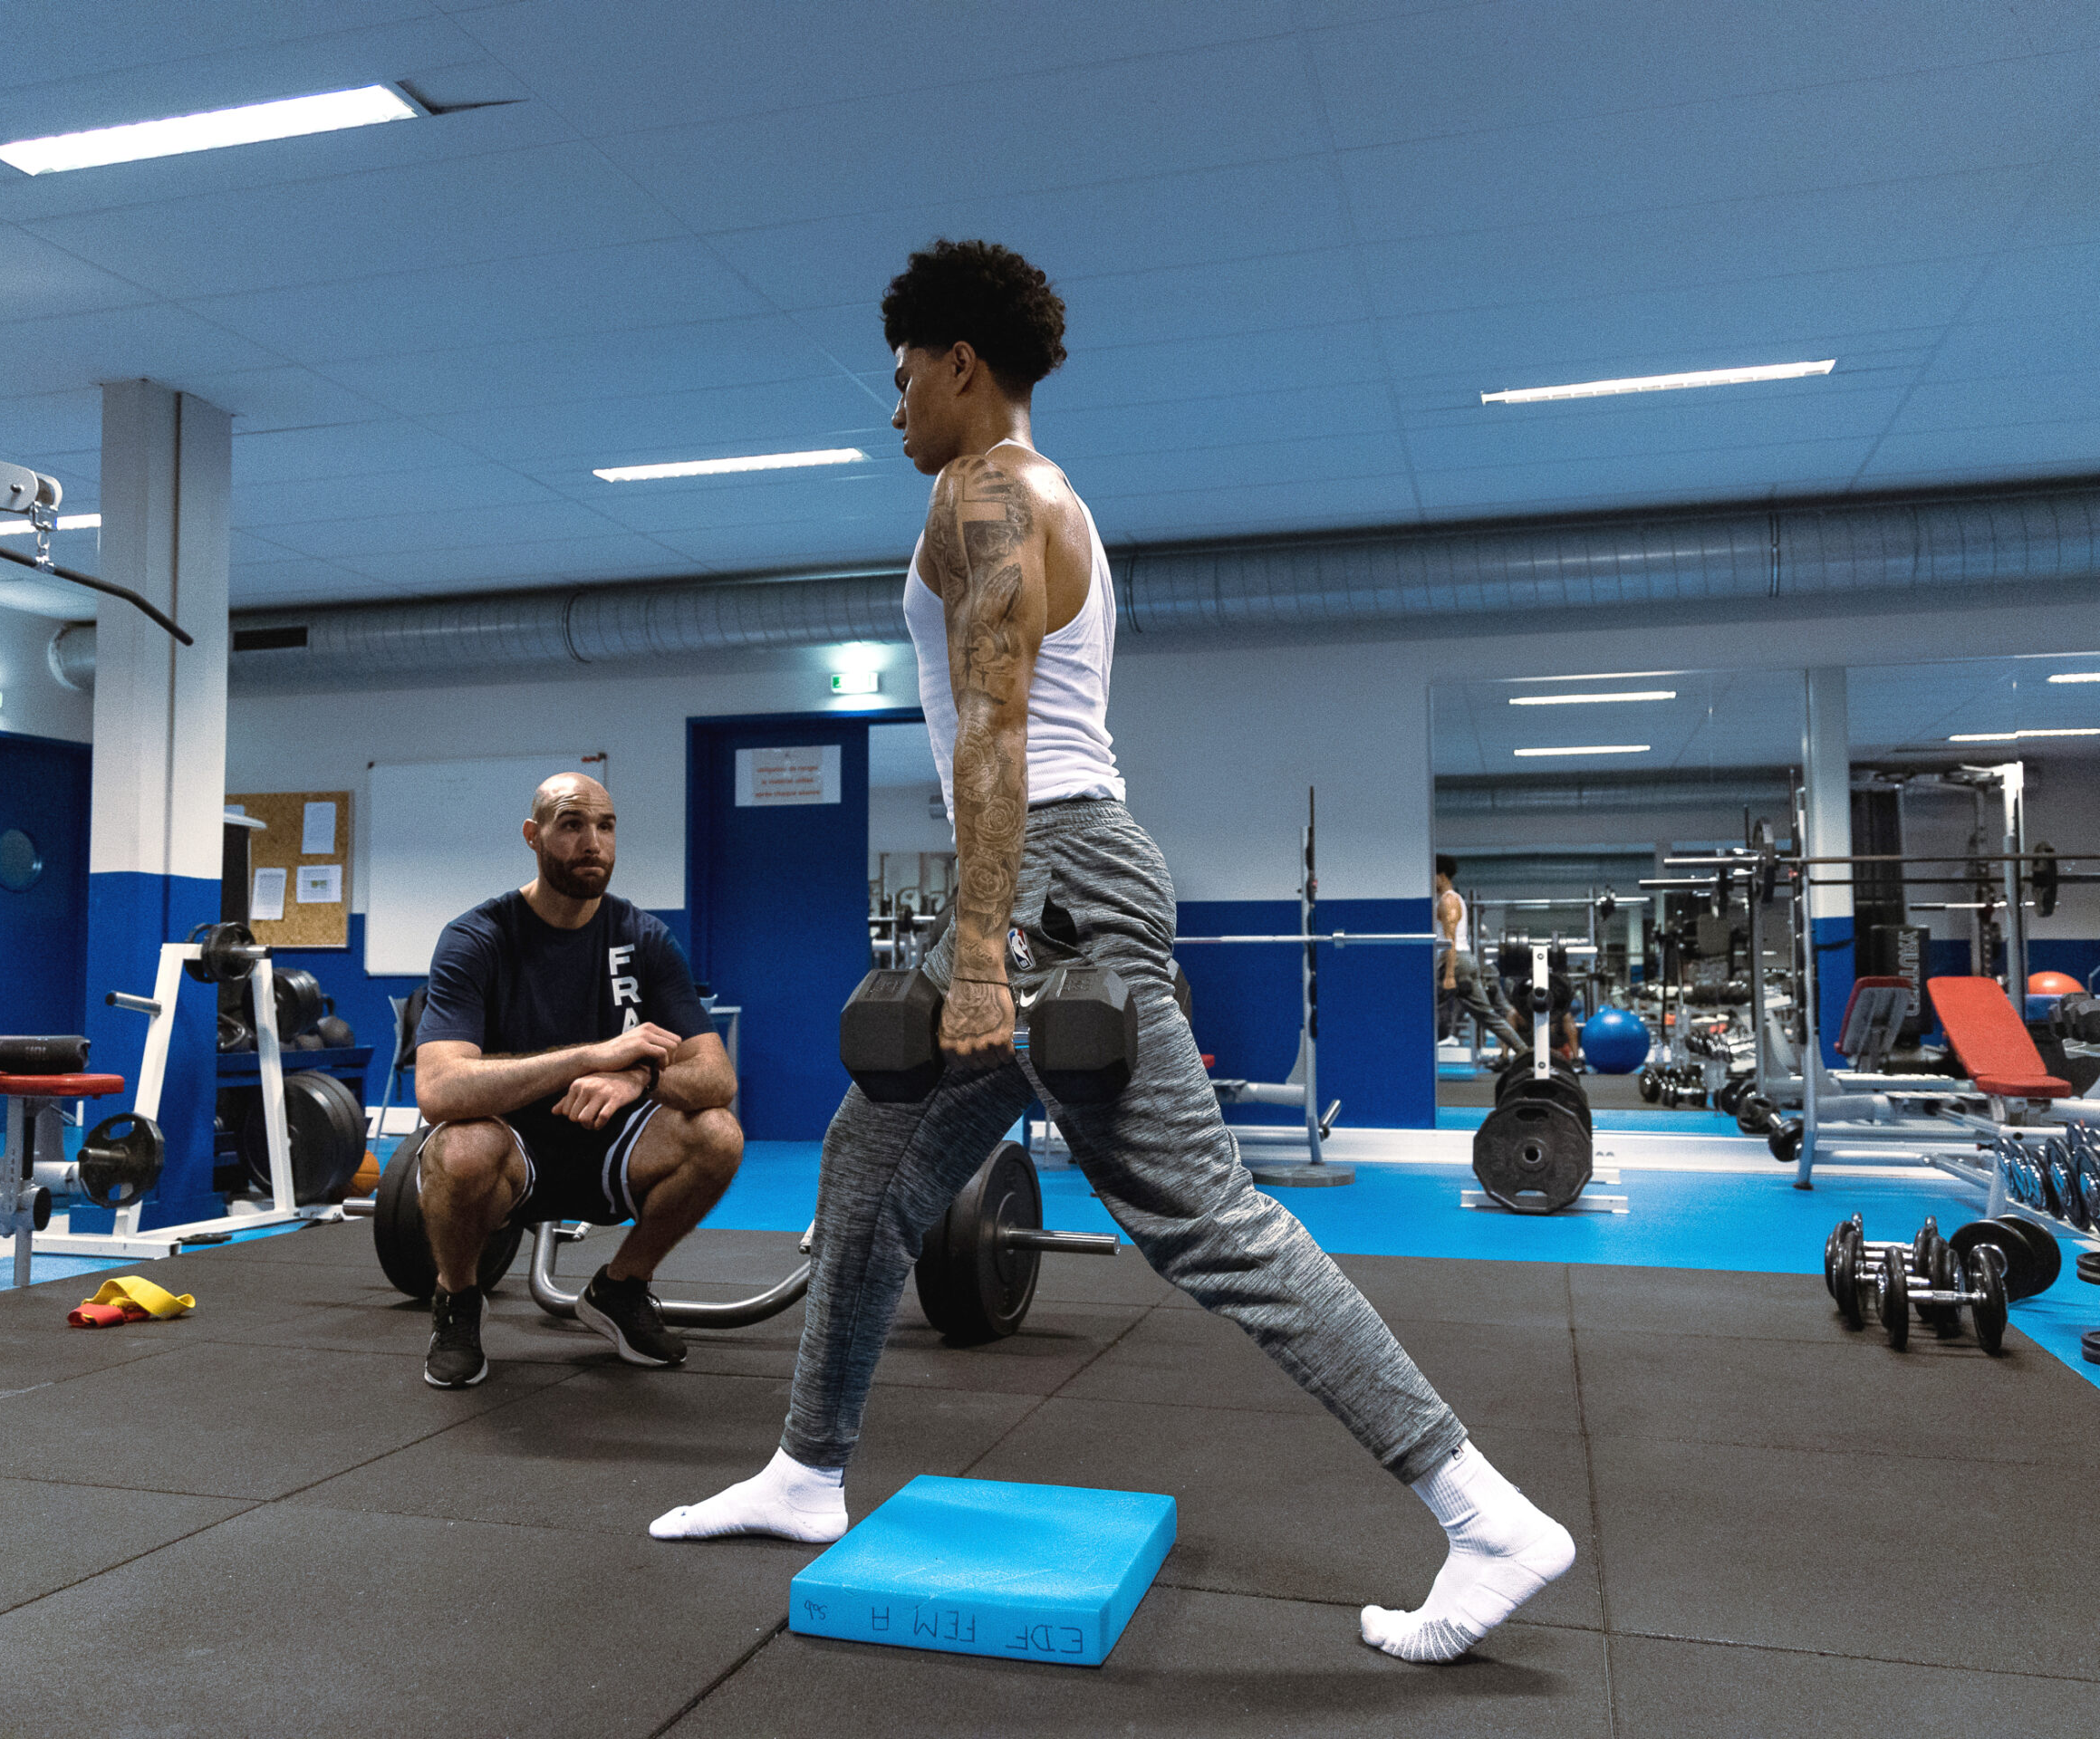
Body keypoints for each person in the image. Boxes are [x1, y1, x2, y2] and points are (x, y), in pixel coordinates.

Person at [650, 240, 1574, 1664]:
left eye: (902, 380)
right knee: (865, 1167)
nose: (891, 410)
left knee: (1206, 1222)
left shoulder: (988, 495)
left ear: (963, 363)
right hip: (1060, 875)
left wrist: (977, 954)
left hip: (1050, 884)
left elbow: (1003, 733)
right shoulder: (1041, 495)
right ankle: (806, 1471)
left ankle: (1485, 1514)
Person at [411, 772, 743, 1388]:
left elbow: (715, 1077)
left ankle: (621, 1287)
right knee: (461, 1147)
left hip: (612, 1143)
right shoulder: (477, 938)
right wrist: (594, 1056)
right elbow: (438, 1091)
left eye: (606, 826)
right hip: (510, 1149)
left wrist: (639, 1079)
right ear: (533, 837)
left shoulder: (643, 938)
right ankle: (457, 1298)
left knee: (718, 1134)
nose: (593, 842)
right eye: (571, 826)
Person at [1435, 856, 1524, 1061]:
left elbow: (1450, 940)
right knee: (1488, 1017)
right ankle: (1524, 1051)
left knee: (1423, 1008)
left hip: (1456, 963)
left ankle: (1525, 1052)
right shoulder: (1448, 899)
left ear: (1440, 876)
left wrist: (1449, 975)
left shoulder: (1449, 900)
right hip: (1460, 962)